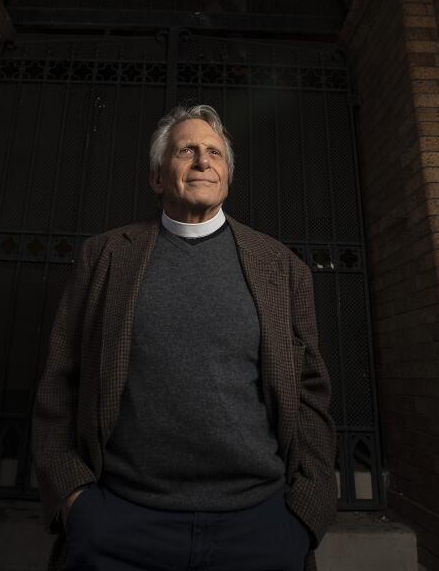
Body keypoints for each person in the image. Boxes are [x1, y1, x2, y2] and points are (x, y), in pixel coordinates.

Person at [32, 103, 336, 571]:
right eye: (187, 150)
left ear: (226, 177)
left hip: (259, 526)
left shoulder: (281, 267)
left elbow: (311, 391)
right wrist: (75, 501)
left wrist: (305, 516)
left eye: (214, 153)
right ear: (157, 177)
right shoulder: (106, 256)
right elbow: (59, 378)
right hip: (121, 523)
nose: (202, 161)